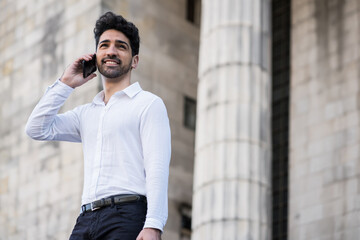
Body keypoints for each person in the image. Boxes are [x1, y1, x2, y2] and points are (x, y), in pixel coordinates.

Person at [25, 11, 171, 240]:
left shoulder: (149, 104)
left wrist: (153, 224)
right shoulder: (86, 113)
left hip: (127, 215)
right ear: (96, 56)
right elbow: (36, 128)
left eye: (121, 46)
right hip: (85, 220)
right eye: (104, 45)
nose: (111, 51)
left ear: (135, 61)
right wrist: (66, 83)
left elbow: (157, 168)